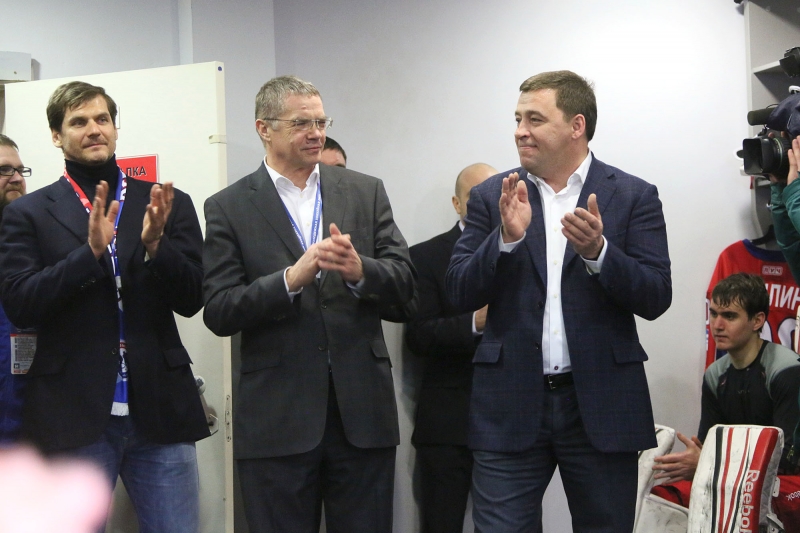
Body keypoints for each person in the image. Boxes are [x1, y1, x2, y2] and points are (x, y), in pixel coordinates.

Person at [445, 70, 672, 532]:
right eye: (517, 119)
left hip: (602, 404)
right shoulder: (492, 196)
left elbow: (656, 296)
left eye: (534, 119)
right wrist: (505, 240)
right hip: (508, 402)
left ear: (576, 126)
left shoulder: (633, 195)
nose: (520, 131)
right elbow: (458, 290)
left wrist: (600, 254)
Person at [202, 75, 415, 533]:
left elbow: (405, 283)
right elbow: (219, 309)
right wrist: (288, 281)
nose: (316, 132)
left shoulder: (364, 190)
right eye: (301, 123)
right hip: (277, 420)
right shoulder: (228, 206)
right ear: (264, 128)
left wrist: (360, 271)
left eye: (321, 121)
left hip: (361, 415)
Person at [0, 81, 209, 533]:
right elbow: (21, 304)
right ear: (56, 136)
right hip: (72, 414)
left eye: (102, 119)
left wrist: (157, 246)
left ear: (115, 128)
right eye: (78, 122)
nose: (94, 129)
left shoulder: (166, 203)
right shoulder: (28, 213)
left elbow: (194, 299)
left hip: (160, 409)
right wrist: (89, 254)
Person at [406, 162, 496, 533]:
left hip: (513, 424)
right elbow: (418, 335)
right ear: (457, 204)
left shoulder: (526, 253)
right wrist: (476, 322)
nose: (486, 203)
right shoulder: (424, 256)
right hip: (447, 424)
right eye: (476, 196)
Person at [653, 272, 800, 483]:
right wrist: (696, 460)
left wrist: (707, 463)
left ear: (757, 320)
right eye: (714, 314)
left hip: (787, 484)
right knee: (665, 492)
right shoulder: (714, 375)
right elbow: (708, 446)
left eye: (730, 316)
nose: (717, 325)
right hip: (737, 479)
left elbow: (787, 459)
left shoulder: (786, 369)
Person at [0, 134, 29, 444]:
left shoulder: (40, 242)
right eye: (4, 170)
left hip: (32, 432)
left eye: (20, 170)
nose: (17, 178)